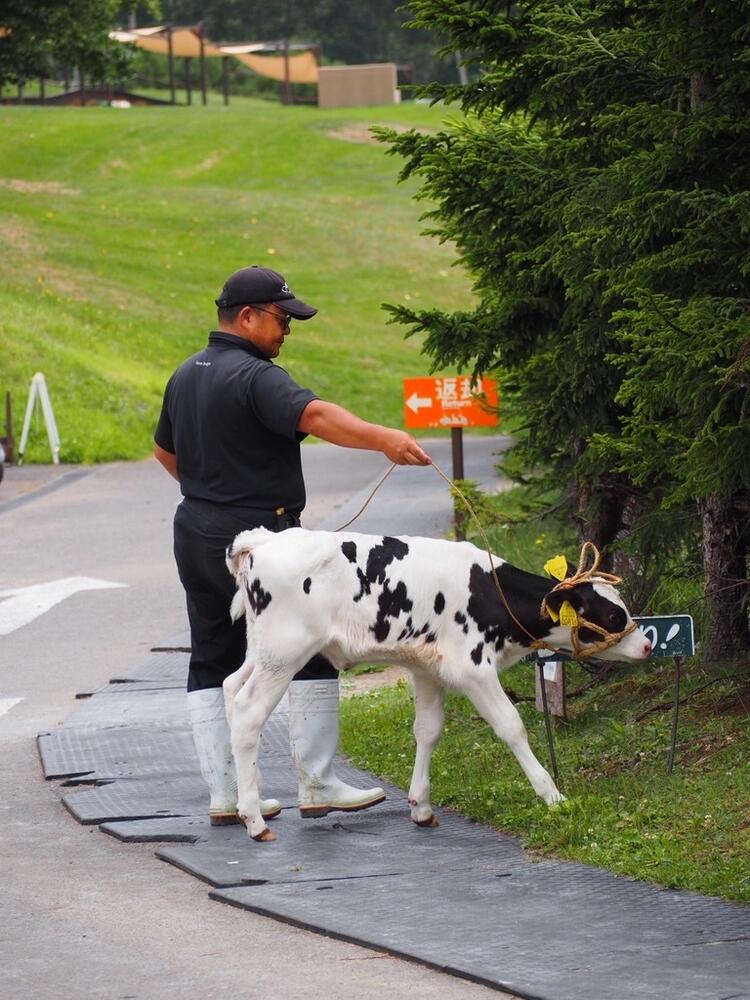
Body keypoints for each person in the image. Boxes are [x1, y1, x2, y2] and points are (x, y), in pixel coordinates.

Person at [154, 265, 431, 827]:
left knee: (212, 655)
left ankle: (226, 796)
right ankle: (318, 782)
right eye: (282, 319)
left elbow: (165, 454)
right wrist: (385, 440)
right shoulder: (259, 376)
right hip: (265, 541)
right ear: (248, 316)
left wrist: (213, 489)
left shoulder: (185, 374)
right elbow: (317, 415)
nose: (287, 331)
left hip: (197, 530)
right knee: (313, 642)